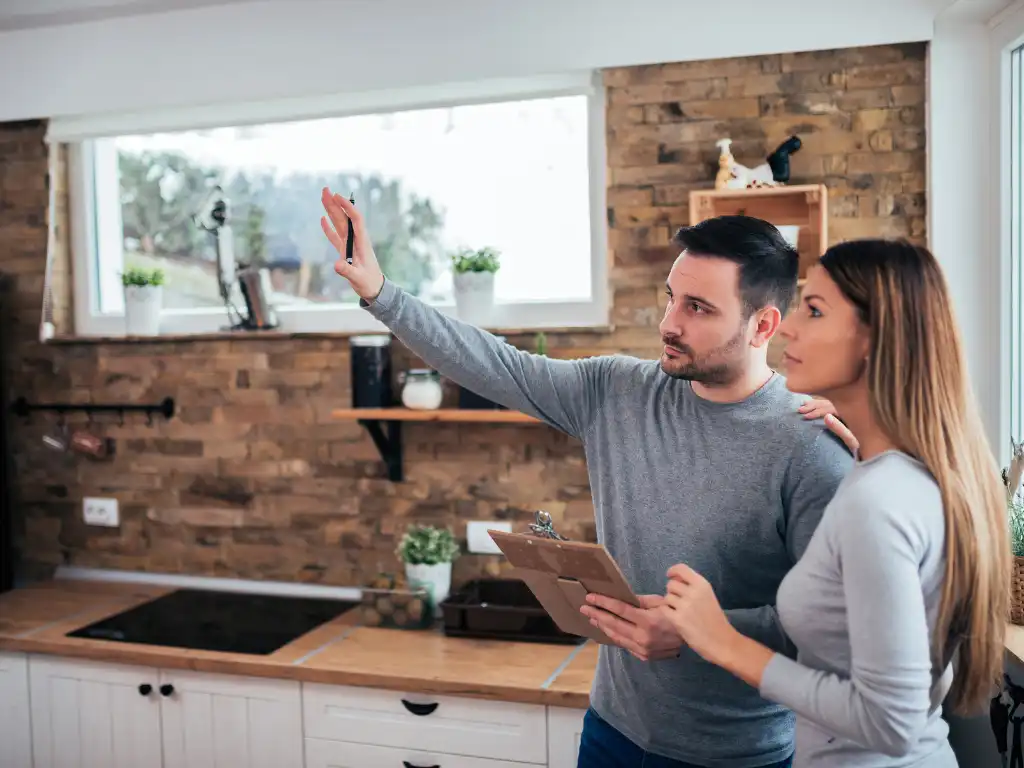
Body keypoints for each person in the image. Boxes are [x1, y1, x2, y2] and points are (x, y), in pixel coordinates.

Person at [319, 188, 854, 768]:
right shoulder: (616, 391)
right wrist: (380, 292)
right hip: (611, 733)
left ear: (763, 324)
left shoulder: (810, 447)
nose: (668, 323)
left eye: (698, 308)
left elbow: (834, 626)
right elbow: (495, 364)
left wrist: (699, 631)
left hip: (735, 756)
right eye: (671, 298)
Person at [659, 239, 1011, 767]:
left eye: (815, 310)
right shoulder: (902, 476)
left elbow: (890, 721)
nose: (791, 326)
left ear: (876, 339)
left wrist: (720, 640)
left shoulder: (880, 500)